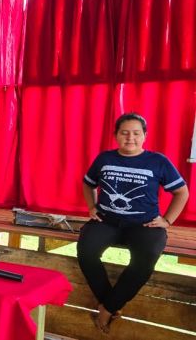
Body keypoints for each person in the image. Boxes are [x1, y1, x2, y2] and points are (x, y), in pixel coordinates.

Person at [78, 113, 189, 334]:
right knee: (86, 250)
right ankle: (110, 303)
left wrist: (167, 220)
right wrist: (92, 206)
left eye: (136, 133)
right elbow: (87, 183)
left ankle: (107, 308)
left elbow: (181, 192)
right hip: (107, 221)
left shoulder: (158, 161)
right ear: (116, 135)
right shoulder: (105, 159)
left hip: (144, 225)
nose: (130, 138)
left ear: (145, 136)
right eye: (125, 133)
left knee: (146, 259)